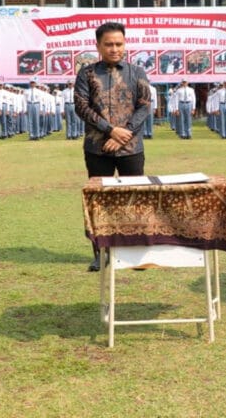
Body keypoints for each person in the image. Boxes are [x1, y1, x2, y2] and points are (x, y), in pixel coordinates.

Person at [74, 22, 152, 272]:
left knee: (134, 198)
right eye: (108, 44)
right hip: (98, 149)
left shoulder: (137, 72)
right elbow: (81, 107)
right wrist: (110, 130)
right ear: (98, 46)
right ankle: (101, 253)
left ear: (125, 44)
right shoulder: (86, 74)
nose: (114, 48)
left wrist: (122, 135)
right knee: (99, 201)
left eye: (119, 43)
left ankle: (135, 253)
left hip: (131, 148)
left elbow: (144, 106)